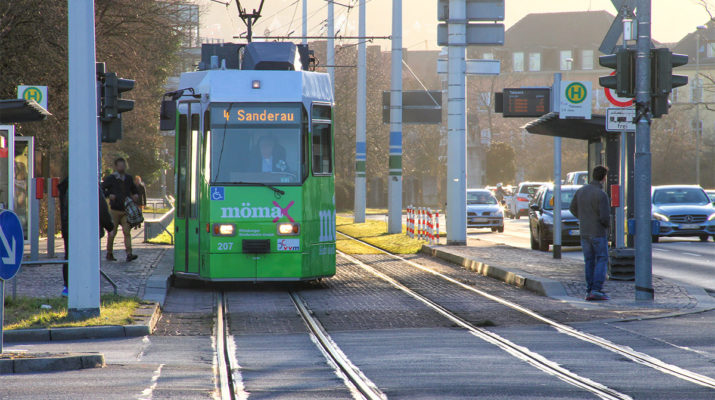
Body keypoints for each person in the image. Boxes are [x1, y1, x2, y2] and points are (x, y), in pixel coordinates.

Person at [58, 178, 114, 297]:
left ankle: (68, 287)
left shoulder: (66, 185)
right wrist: (109, 225)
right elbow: (102, 207)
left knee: (70, 257)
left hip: (69, 228)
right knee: (88, 258)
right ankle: (86, 287)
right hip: (88, 229)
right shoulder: (90, 183)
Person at [569, 165, 611, 301]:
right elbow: (605, 217)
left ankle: (589, 289)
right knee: (602, 259)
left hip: (584, 231)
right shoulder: (601, 195)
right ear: (604, 178)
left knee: (589, 260)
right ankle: (596, 289)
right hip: (598, 232)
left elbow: (572, 208)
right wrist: (607, 227)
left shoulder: (581, 191)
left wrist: (583, 217)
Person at [102, 157, 139, 262]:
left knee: (127, 232)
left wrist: (135, 195)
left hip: (125, 210)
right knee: (112, 232)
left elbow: (134, 189)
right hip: (114, 210)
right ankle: (109, 253)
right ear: (116, 166)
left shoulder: (128, 178)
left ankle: (129, 253)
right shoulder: (111, 178)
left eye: (123, 165)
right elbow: (101, 189)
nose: (122, 167)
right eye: (120, 165)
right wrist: (109, 195)